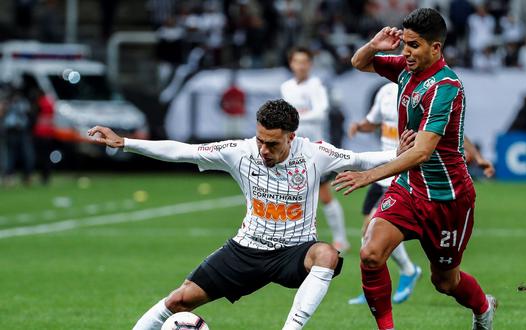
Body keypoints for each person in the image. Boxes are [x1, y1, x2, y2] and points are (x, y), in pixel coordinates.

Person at [88, 99, 415, 330]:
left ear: (291, 137)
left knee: (327, 255)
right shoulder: (239, 152)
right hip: (247, 248)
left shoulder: (316, 154)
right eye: (260, 140)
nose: (263, 150)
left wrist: (399, 154)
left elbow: (359, 159)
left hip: (294, 251)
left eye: (272, 144)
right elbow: (182, 151)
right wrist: (126, 142)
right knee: (178, 301)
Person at [334, 8, 497, 330]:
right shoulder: (407, 70)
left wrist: (368, 176)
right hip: (409, 188)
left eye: (414, 45)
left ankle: (483, 308)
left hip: (447, 198)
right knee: (370, 254)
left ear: (435, 48)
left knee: (445, 282)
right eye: (404, 44)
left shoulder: (445, 86)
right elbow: (359, 62)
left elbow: (422, 151)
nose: (405, 52)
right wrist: (375, 44)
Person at [347, 82, 422, 305]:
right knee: (368, 232)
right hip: (381, 173)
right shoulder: (385, 92)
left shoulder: (421, 93)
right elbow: (373, 122)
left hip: (401, 172)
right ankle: (382, 283)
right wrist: (360, 126)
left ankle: (406, 272)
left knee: (371, 227)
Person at [281, 47, 350, 253]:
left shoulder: (316, 85)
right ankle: (295, 237)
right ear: (291, 64)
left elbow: (321, 113)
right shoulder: (286, 87)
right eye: (297, 61)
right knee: (292, 195)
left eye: (304, 62)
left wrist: (293, 119)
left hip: (315, 149)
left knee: (324, 194)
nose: (300, 66)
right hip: (292, 149)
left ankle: (340, 239)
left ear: (310, 64)